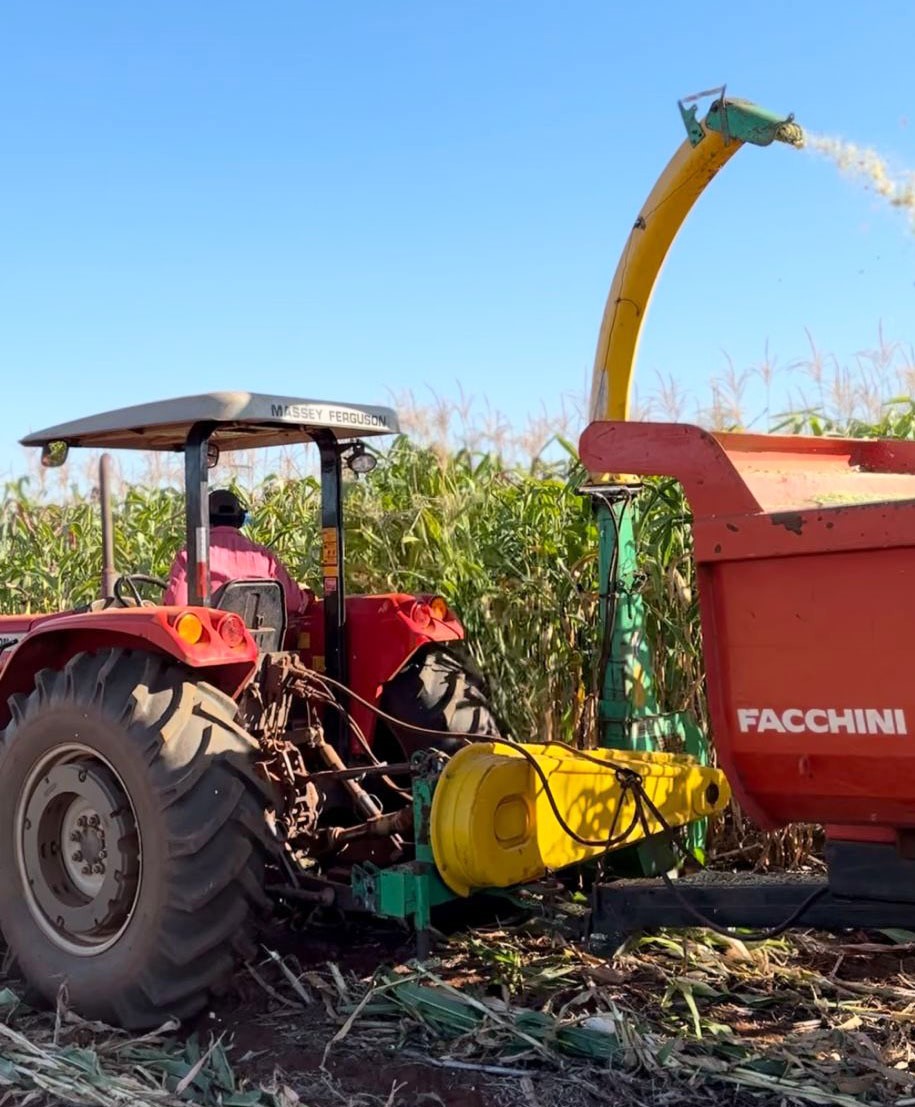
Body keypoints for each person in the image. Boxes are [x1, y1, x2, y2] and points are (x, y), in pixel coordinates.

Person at [163, 489, 309, 617]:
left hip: (209, 645)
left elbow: (175, 607)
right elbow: (295, 603)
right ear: (240, 519)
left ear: (203, 519)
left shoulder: (191, 556)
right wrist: (305, 595)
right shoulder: (264, 558)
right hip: (262, 644)